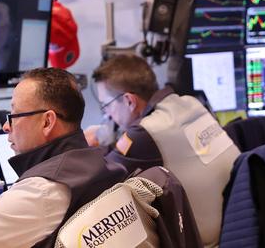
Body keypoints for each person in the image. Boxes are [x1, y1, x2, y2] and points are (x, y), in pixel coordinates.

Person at [0, 68, 127, 248]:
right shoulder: (96, 163)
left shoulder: (42, 190)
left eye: (14, 115)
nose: (6, 126)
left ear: (47, 122)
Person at [92, 54, 240, 248]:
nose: (108, 114)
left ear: (129, 101)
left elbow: (99, 176)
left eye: (106, 105)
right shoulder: (190, 103)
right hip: (239, 227)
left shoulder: (147, 132)